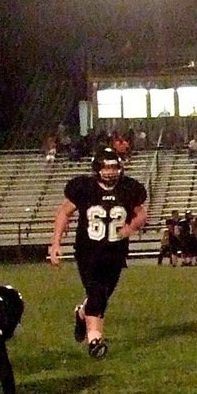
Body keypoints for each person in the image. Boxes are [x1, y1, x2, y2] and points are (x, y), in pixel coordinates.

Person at [48, 147, 147, 359]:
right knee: (97, 293)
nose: (111, 171)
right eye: (106, 167)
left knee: (102, 295)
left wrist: (131, 228)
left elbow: (141, 215)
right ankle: (95, 340)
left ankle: (82, 313)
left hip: (116, 252)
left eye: (114, 167)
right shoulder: (84, 188)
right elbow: (64, 213)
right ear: (97, 168)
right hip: (88, 251)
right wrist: (55, 243)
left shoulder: (129, 188)